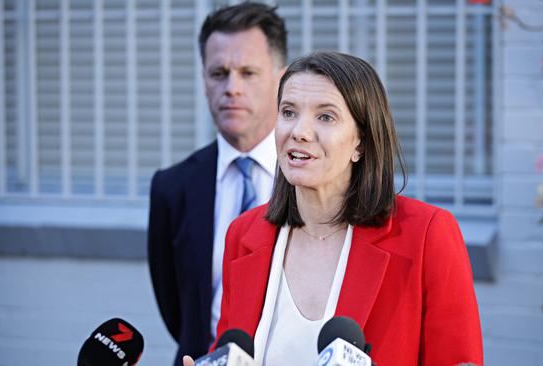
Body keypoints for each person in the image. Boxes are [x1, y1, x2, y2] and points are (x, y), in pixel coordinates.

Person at [184, 51, 483, 366]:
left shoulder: (426, 233)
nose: (299, 131)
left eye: (325, 116)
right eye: (288, 112)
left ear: (361, 143)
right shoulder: (244, 234)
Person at [147, 3, 287, 365]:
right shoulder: (172, 187)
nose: (231, 88)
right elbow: (177, 310)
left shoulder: (314, 177)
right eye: (219, 73)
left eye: (248, 72)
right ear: (204, 80)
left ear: (281, 78)